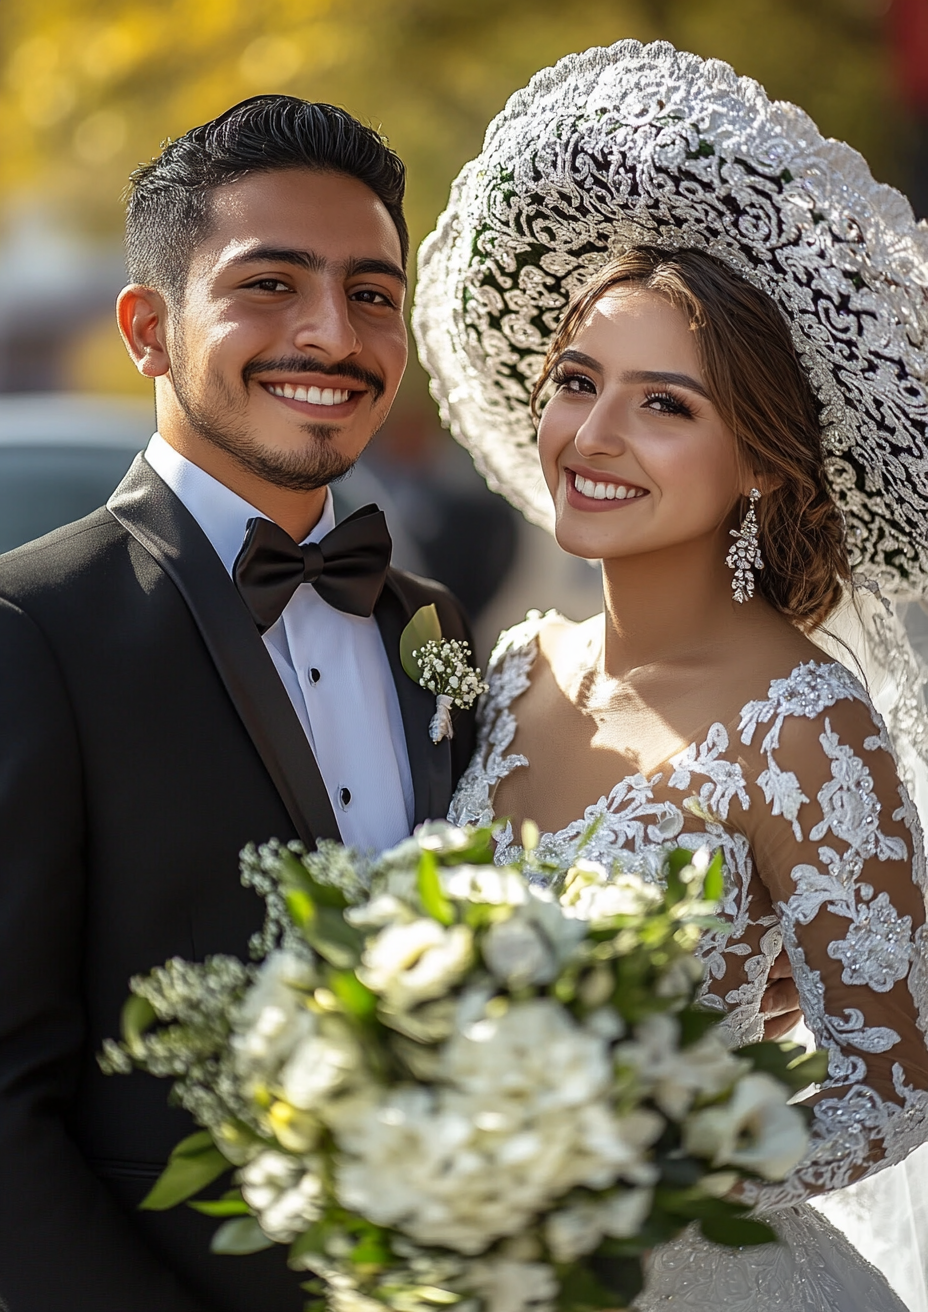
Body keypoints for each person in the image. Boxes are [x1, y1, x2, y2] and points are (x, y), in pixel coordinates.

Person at [415, 40, 928, 1312]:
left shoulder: (805, 724)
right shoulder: (518, 665)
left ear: (760, 458)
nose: (591, 437)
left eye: (664, 405)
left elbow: (893, 1085)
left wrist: (637, 1169)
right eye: (577, 383)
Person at [0, 96, 477, 1312]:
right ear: (147, 330)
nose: (334, 333)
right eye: (271, 284)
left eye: (373, 294)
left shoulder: (431, 623)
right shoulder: (31, 628)